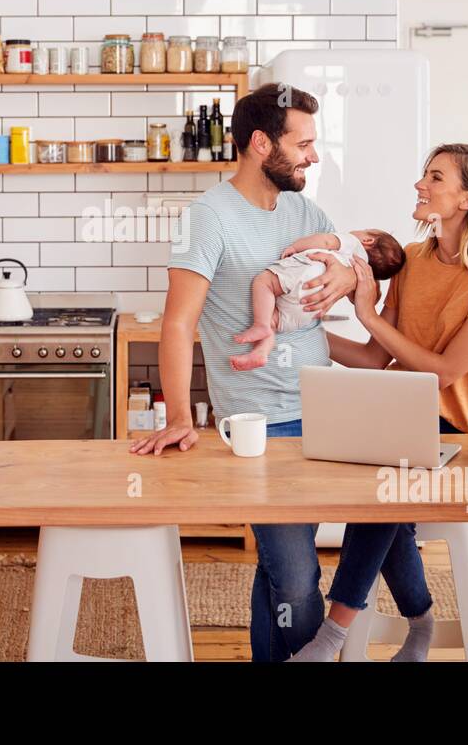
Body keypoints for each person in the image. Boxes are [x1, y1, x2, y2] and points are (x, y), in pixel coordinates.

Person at [129, 81, 352, 662]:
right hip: (262, 420)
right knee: (300, 579)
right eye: (302, 143)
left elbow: (344, 273)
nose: (313, 155)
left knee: (281, 569)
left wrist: (351, 277)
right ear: (260, 143)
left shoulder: (307, 210)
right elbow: (177, 324)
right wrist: (181, 416)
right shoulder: (209, 216)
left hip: (324, 411)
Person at [286, 143, 468, 662]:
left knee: (382, 492)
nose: (420, 185)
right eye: (423, 174)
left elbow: (442, 373)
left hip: (457, 432)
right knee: (382, 489)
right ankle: (420, 625)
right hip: (399, 418)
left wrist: (367, 314)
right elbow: (376, 360)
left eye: (435, 177)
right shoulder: (412, 260)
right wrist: (299, 335)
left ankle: (332, 636)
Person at [230, 229, 405, 370]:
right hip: (309, 308)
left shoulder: (351, 243)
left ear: (368, 241)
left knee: (264, 283)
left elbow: (327, 241)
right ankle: (261, 351)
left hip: (309, 272)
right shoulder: (363, 275)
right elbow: (363, 298)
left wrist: (295, 247)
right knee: (274, 323)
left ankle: (259, 325)